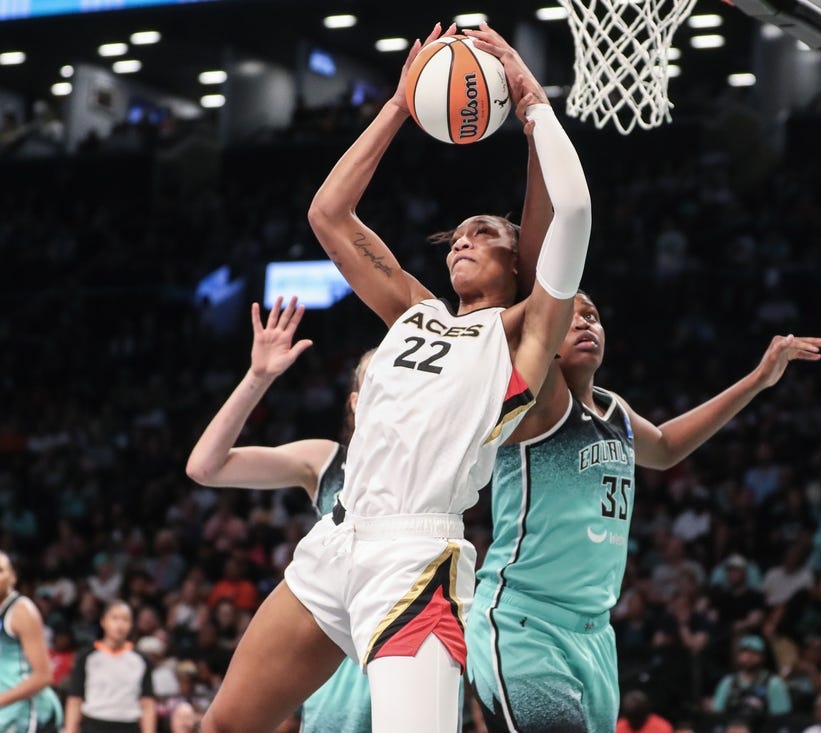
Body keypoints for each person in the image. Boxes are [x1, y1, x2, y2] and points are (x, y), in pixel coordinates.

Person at [199, 21, 592, 733]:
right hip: (335, 541)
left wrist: (533, 101)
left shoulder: (528, 334)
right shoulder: (413, 309)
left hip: (415, 562)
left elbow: (572, 209)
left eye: (486, 233)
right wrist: (400, 105)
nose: (465, 238)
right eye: (460, 234)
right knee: (224, 724)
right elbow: (328, 213)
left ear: (519, 264)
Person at [467, 288, 821, 731]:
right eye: (571, 316)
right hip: (525, 622)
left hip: (595, 634)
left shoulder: (615, 410)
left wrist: (758, 379)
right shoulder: (538, 400)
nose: (585, 323)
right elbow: (545, 294)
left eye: (594, 316)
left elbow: (668, 446)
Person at [185, 297, 374, 733]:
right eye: (373, 383)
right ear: (355, 403)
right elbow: (205, 467)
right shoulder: (327, 461)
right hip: (328, 659)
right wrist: (258, 377)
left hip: (399, 637)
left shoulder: (436, 462)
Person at [0, 550, 64, 733]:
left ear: (12, 577)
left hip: (33, 715)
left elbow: (44, 675)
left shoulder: (22, 611)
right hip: (5, 714)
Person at [64, 601, 155, 733]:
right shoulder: (87, 657)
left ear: (131, 625)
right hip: (94, 723)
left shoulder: (141, 660)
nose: (119, 625)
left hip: (129, 724)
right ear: (103, 622)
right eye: (114, 618)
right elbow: (75, 700)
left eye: (125, 620)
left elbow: (147, 704)